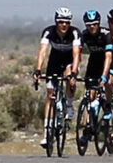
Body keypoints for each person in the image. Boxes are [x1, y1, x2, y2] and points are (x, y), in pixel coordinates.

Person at [33, 8, 81, 148]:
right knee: (50, 95)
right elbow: (42, 52)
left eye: (67, 22)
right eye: (61, 22)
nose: (64, 25)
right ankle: (47, 134)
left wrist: (73, 73)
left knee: (68, 77)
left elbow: (77, 54)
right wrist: (37, 70)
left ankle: (69, 105)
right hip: (54, 61)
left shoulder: (75, 33)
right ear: (56, 22)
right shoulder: (49, 32)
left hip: (69, 61)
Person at [77, 10, 113, 137]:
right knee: (89, 95)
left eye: (94, 24)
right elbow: (77, 53)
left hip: (107, 61)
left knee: (109, 82)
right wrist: (74, 70)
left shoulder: (106, 34)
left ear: (98, 23)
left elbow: (109, 57)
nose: (92, 27)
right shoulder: (84, 35)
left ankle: (108, 105)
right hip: (93, 62)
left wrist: (104, 76)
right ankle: (87, 127)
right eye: (89, 24)